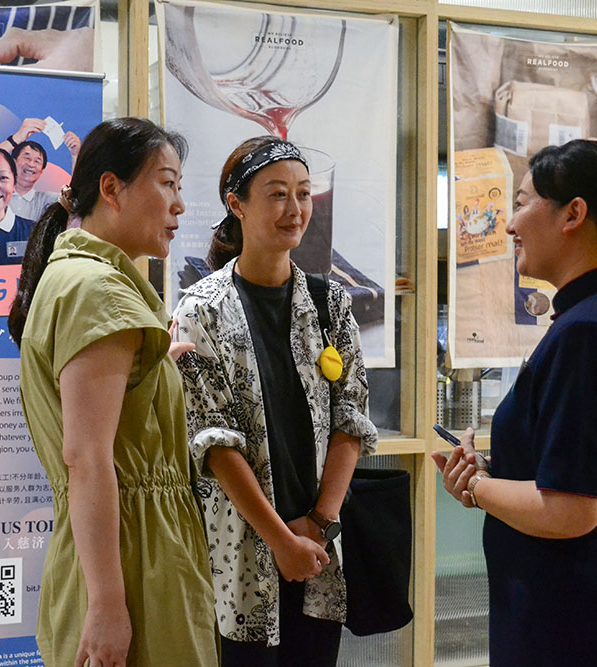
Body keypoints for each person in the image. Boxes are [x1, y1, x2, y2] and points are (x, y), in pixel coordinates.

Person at [433, 139, 597, 666]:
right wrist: (493, 472)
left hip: (578, 628)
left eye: (521, 203)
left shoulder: (589, 334)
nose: (509, 225)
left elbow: (571, 510)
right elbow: (575, 473)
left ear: (573, 214)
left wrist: (477, 487)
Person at [8, 117, 218, 667]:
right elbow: (86, 457)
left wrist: (154, 369)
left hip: (122, 553)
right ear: (110, 188)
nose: (179, 205)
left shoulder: (80, 279)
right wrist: (106, 604)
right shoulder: (97, 289)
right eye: (167, 183)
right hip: (133, 561)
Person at [173, 136, 377, 666]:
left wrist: (318, 524)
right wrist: (280, 540)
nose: (296, 209)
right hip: (239, 553)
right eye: (278, 193)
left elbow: (351, 417)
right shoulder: (201, 309)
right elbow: (212, 442)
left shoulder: (330, 303)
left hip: (317, 551)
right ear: (236, 204)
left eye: (303, 193)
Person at [9, 136, 81, 222]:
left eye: (37, 161)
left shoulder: (45, 199)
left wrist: (76, 156)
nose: (31, 164)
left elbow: (75, 200)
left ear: (41, 171)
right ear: (13, 162)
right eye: (27, 158)